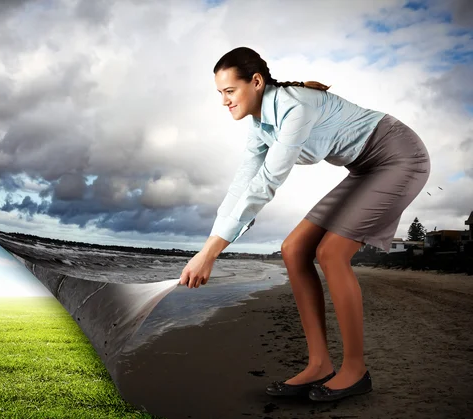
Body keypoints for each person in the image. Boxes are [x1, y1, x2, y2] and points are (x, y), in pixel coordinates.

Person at [177, 46, 430, 402]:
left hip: (400, 158)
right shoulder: (259, 125)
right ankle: (319, 365)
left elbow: (266, 184)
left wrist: (210, 256)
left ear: (256, 82)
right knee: (293, 249)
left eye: (229, 91)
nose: (224, 101)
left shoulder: (296, 108)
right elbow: (241, 187)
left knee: (331, 253)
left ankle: (355, 370)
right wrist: (207, 248)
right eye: (220, 93)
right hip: (365, 169)